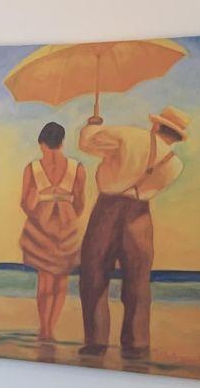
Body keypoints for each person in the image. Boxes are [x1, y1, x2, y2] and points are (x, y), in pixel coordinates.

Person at [78, 105, 189, 357]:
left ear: (156, 125)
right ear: (176, 136)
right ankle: (137, 345)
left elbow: (87, 143)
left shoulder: (130, 136)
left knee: (94, 274)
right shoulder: (175, 164)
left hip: (107, 208)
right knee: (138, 280)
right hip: (140, 216)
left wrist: (93, 125)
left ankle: (96, 342)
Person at [19, 121, 86, 342]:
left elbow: (25, 204)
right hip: (66, 227)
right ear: (62, 142)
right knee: (61, 282)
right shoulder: (77, 168)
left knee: (45, 281)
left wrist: (40, 211)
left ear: (41, 143)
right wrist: (66, 213)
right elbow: (80, 204)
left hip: (41, 226)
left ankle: (45, 328)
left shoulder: (32, 168)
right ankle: (51, 328)